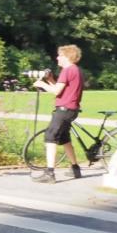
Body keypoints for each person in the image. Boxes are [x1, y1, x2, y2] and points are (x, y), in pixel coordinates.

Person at [32, 44, 84, 183]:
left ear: (67, 57)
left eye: (60, 55)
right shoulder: (76, 70)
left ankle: (50, 174)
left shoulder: (67, 71)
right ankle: (75, 168)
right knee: (64, 138)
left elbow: (56, 92)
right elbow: (60, 88)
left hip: (63, 109)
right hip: (71, 110)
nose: (57, 57)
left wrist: (42, 85)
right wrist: (49, 80)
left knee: (50, 137)